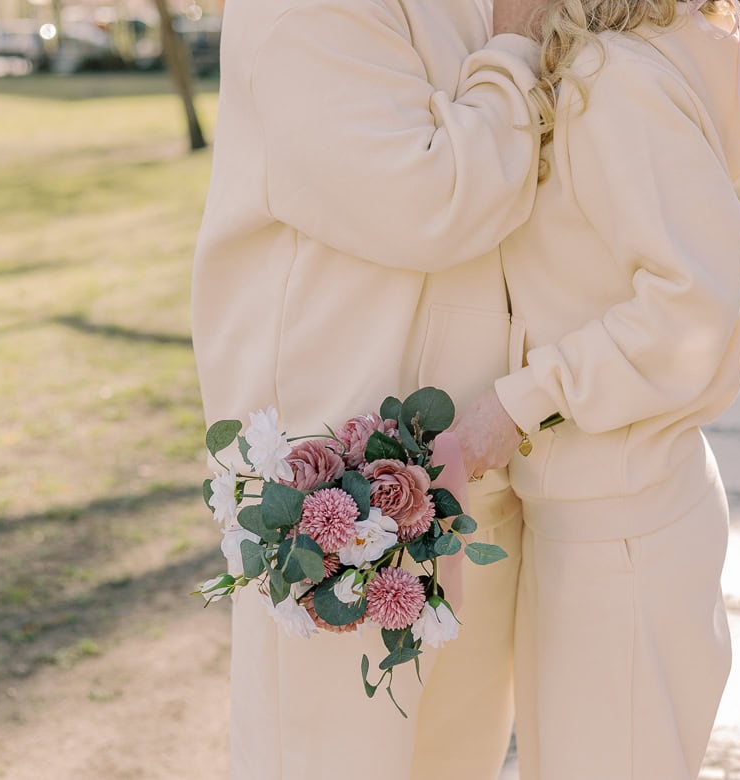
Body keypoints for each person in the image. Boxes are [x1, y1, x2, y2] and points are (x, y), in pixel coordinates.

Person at [190, 0, 549, 776]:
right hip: (341, 501)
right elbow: (433, 201)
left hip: (467, 478)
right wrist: (518, 42)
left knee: (456, 759)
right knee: (337, 759)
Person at [453, 0, 740, 776]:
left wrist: (520, 403)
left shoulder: (615, 83)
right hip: (592, 519)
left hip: (626, 534)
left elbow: (692, 300)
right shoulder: (592, 73)